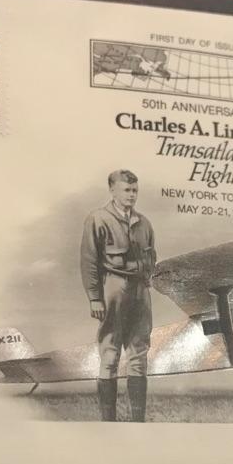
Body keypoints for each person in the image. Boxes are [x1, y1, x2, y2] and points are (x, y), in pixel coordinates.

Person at [80, 169, 156, 422]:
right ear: (112, 190)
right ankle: (108, 423)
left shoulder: (144, 223)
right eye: (126, 190)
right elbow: (89, 260)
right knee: (110, 353)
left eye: (135, 190)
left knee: (139, 354)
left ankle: (138, 422)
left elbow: (151, 256)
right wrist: (95, 297)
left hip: (140, 290)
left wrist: (147, 280)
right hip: (114, 287)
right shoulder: (98, 219)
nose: (132, 195)